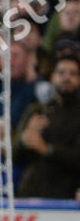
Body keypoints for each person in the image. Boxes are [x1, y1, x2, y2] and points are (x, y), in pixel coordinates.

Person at [14, 46, 80, 200]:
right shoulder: (36, 110)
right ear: (52, 77)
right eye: (61, 72)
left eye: (73, 74)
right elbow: (14, 155)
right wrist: (25, 139)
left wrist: (47, 149)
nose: (66, 78)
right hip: (29, 194)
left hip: (66, 197)